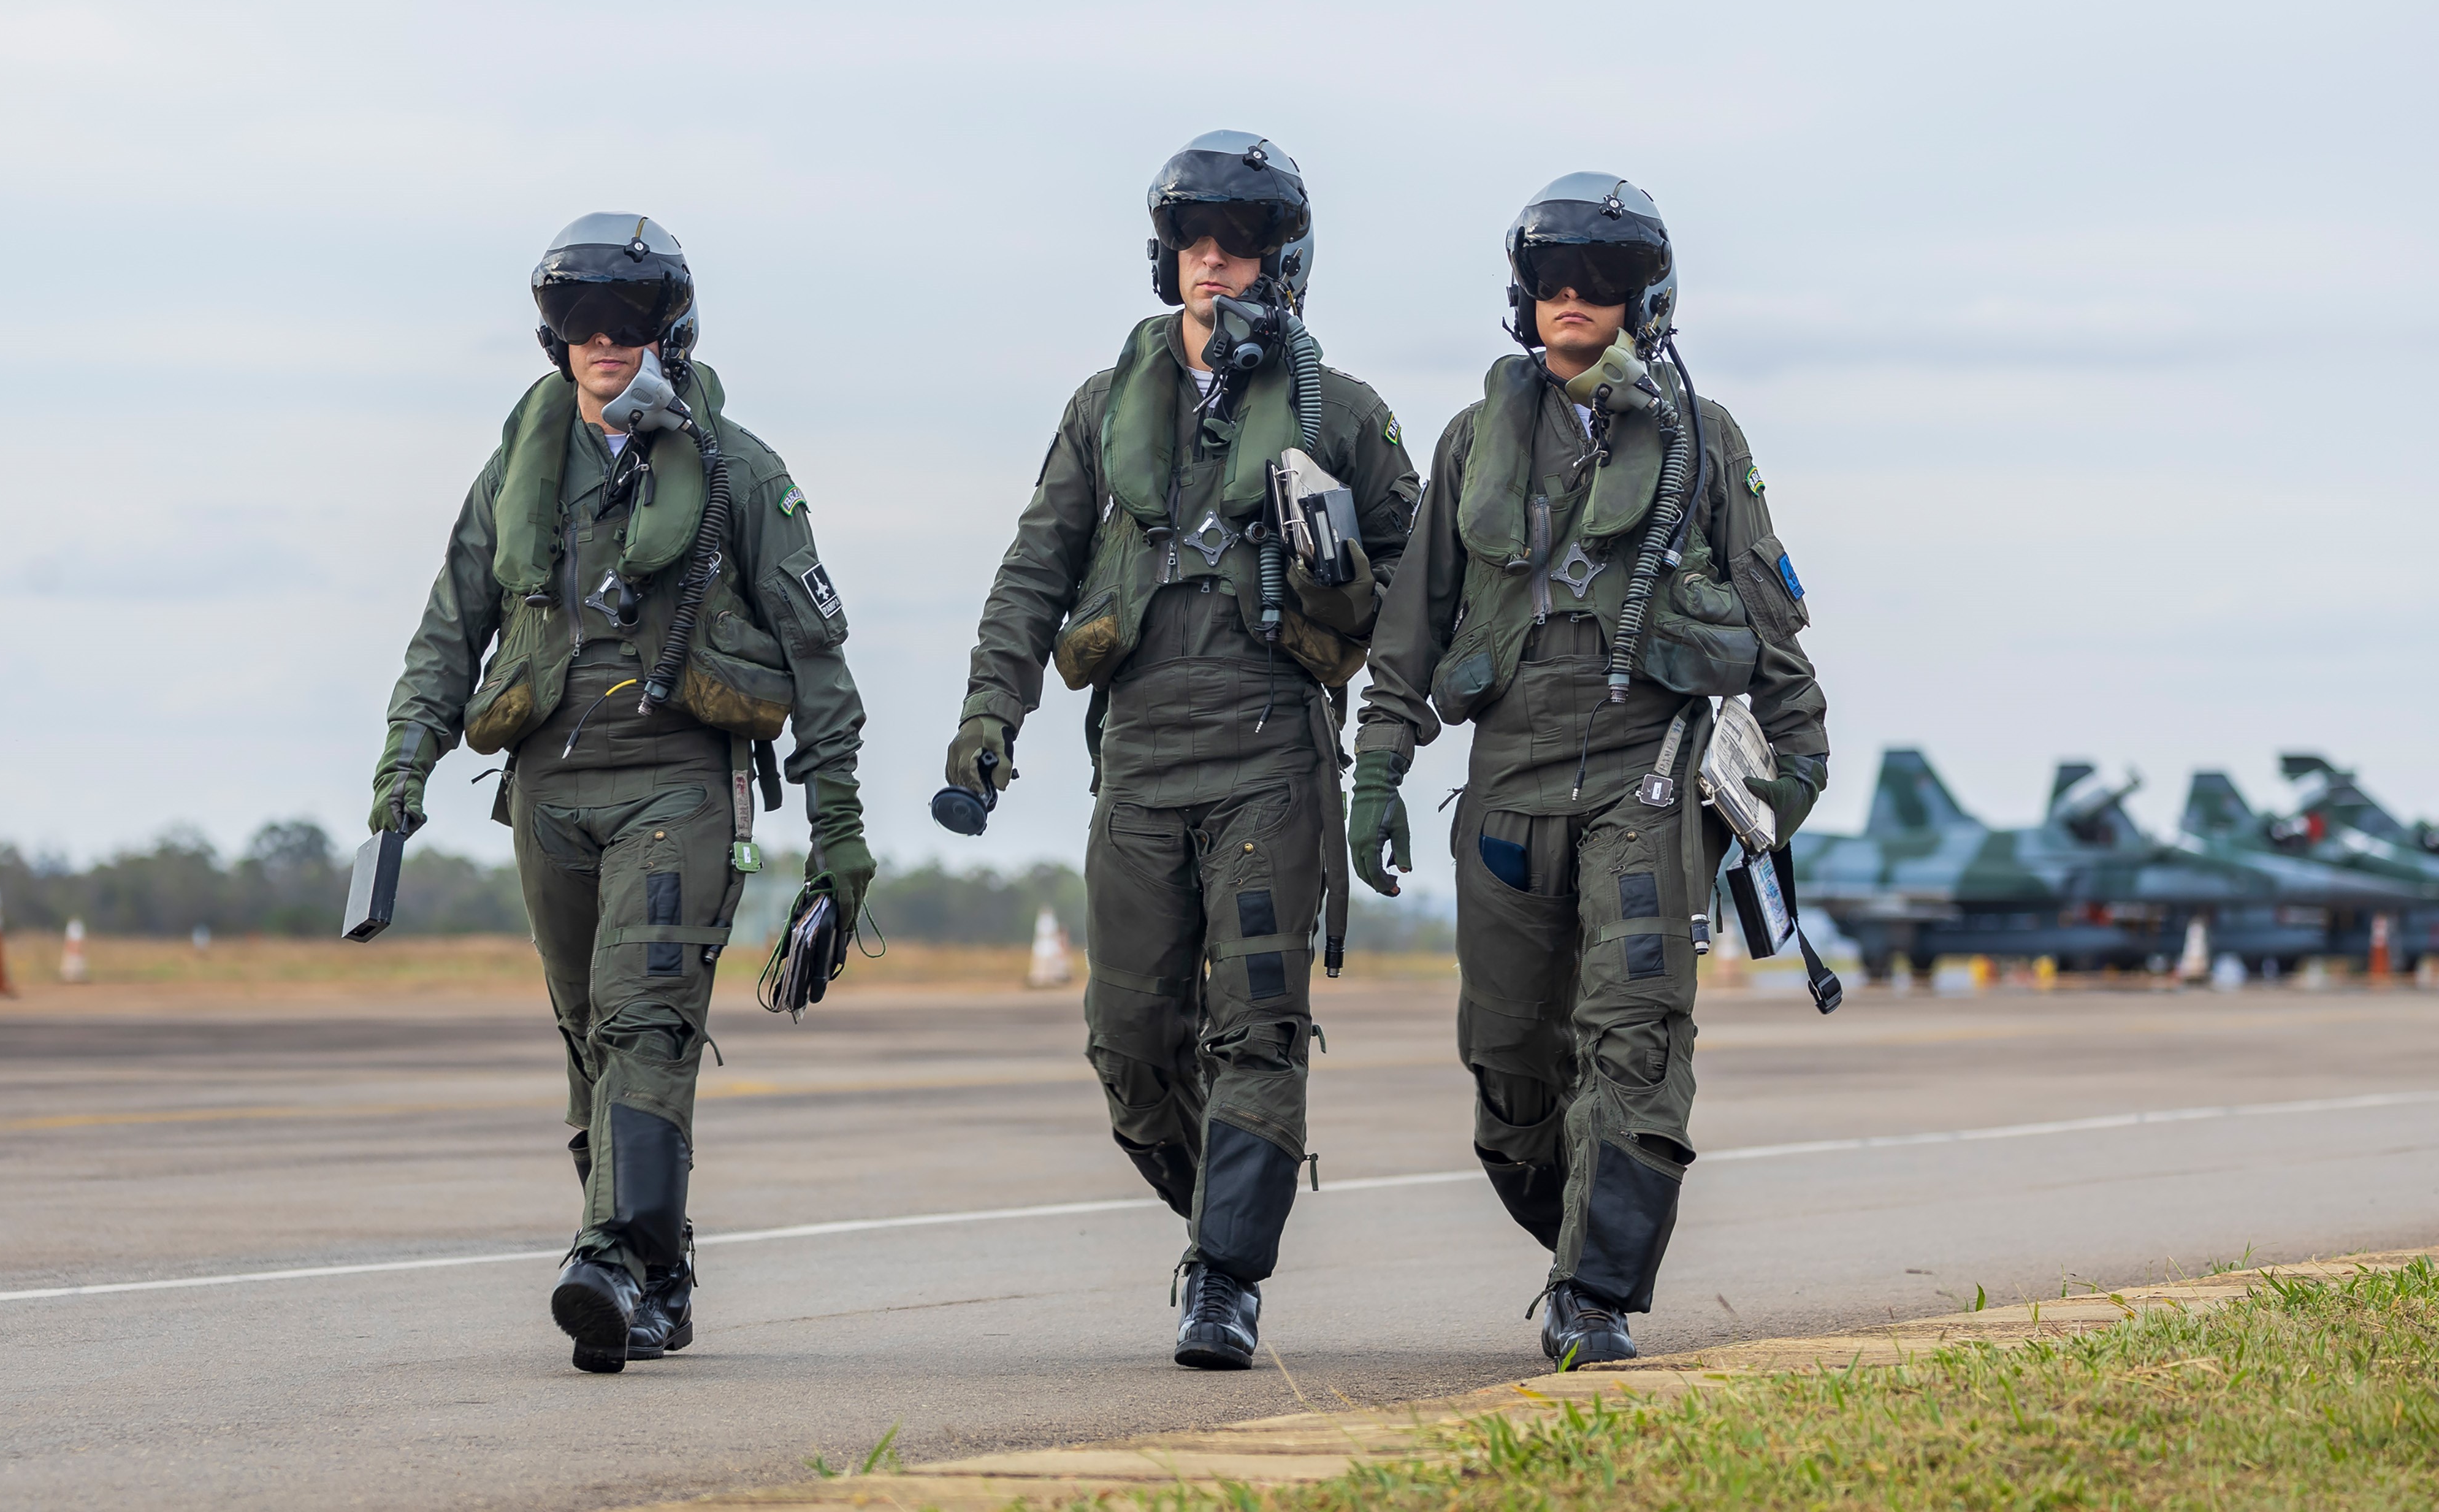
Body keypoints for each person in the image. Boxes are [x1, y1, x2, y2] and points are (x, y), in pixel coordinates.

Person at [947, 132, 1421, 1369]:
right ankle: (1228, 1208)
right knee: (1126, 1041)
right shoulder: (1104, 408)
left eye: (1242, 247)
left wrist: (1347, 595)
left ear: (1282, 267)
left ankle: (1223, 1274)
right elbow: (1032, 571)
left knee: (1254, 1028)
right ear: (1168, 259)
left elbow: (1424, 599)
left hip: (1271, 751)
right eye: (1198, 245)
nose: (1218, 266)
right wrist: (990, 711)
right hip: (1141, 761)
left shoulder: (1349, 416)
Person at [368, 214, 872, 1373]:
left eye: (628, 320)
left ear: (668, 330)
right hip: (547, 789)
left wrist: (838, 831)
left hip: (681, 779)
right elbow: (449, 634)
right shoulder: (517, 475)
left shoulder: (741, 470)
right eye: (579, 321)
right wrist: (403, 770)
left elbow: (818, 657)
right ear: (554, 338)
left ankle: (606, 1252)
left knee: (646, 1017)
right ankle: (662, 1268)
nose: (604, 340)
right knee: (591, 1037)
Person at [1349, 174, 1829, 1367]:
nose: (1574, 299)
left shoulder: (1704, 439)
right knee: (1508, 1068)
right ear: (1527, 298)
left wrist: (1791, 771)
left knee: (1633, 1034)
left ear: (1638, 299)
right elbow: (1411, 627)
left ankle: (1593, 1290)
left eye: (1599, 282)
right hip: (1506, 783)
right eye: (1554, 280)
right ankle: (1575, 1232)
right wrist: (1374, 771)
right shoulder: (1470, 441)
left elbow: (1769, 617)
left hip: (1643, 777)